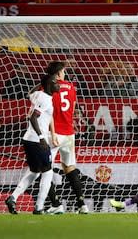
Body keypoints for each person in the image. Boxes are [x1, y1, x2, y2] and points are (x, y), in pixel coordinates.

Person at [5, 74, 60, 214]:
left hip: (28, 139)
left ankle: (13, 197)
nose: (58, 85)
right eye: (55, 82)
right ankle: (39, 207)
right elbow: (33, 117)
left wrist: (41, 84)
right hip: (37, 141)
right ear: (48, 85)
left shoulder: (37, 94)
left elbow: (29, 93)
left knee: (34, 171)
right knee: (47, 172)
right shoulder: (45, 99)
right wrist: (42, 138)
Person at [44, 61, 89, 214]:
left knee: (43, 169)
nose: (64, 73)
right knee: (70, 167)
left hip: (53, 133)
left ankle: (56, 203)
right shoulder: (71, 87)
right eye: (63, 71)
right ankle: (82, 204)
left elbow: (47, 111)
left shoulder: (49, 87)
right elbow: (73, 109)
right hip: (69, 133)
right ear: (58, 73)